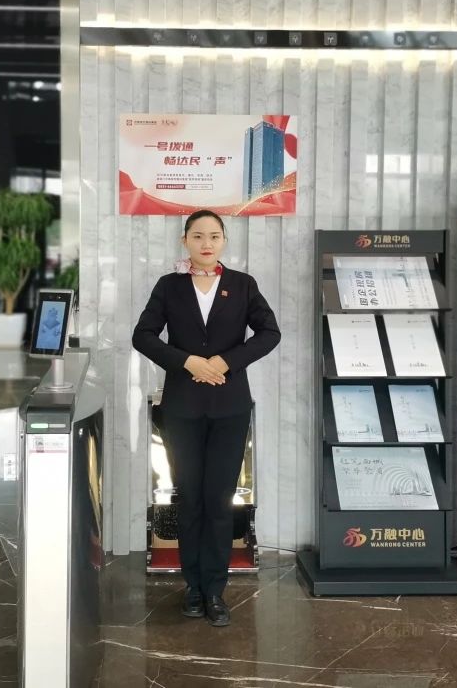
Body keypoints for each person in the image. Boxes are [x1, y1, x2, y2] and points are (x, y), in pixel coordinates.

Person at [132, 209, 281, 627]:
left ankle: (215, 591)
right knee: (190, 499)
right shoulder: (169, 286)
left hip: (230, 408)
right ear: (185, 241)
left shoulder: (243, 284)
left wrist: (225, 362)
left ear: (224, 241)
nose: (206, 243)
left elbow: (270, 333)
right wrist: (187, 362)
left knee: (219, 500)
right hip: (182, 408)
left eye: (214, 236)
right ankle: (193, 588)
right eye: (198, 236)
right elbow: (142, 336)